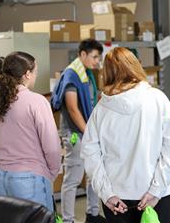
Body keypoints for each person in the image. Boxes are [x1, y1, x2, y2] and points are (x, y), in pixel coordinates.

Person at [82, 47, 170, 223]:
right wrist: (156, 190)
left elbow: (90, 154)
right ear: (135, 66)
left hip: (117, 199)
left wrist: (107, 193)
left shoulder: (101, 109)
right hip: (155, 196)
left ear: (107, 72)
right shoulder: (158, 100)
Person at [0, 51, 60, 213]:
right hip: (30, 179)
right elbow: (52, 146)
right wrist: (51, 173)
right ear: (27, 74)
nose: (35, 76)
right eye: (35, 73)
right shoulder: (36, 101)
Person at [51, 39, 104, 223]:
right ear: (83, 54)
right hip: (75, 135)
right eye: (95, 57)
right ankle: (68, 220)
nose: (97, 61)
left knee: (93, 175)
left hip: (88, 132)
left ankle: (93, 214)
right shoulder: (72, 75)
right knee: (72, 179)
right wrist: (88, 132)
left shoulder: (87, 74)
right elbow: (73, 108)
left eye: (99, 57)